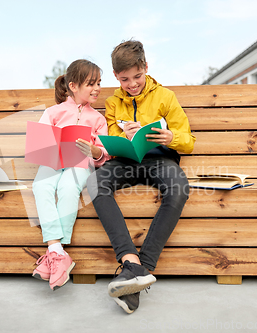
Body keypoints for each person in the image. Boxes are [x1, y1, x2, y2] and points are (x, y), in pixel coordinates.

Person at [87, 40, 196, 313]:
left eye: (137, 77)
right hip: (125, 160)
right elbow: (110, 137)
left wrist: (171, 137)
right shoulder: (113, 102)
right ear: (116, 77)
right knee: (95, 183)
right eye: (125, 79)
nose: (132, 84)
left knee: (179, 188)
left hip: (159, 160)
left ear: (146, 67)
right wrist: (123, 136)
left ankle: (137, 268)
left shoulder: (166, 97)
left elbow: (188, 141)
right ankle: (131, 261)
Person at [31, 59, 110, 290]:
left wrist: (94, 151)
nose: (96, 88)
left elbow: (104, 154)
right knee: (41, 186)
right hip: (53, 162)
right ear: (73, 86)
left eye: (99, 83)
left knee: (67, 188)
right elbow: (39, 145)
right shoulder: (52, 112)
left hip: (80, 164)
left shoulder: (98, 119)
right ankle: (57, 251)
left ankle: (54, 252)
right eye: (91, 83)